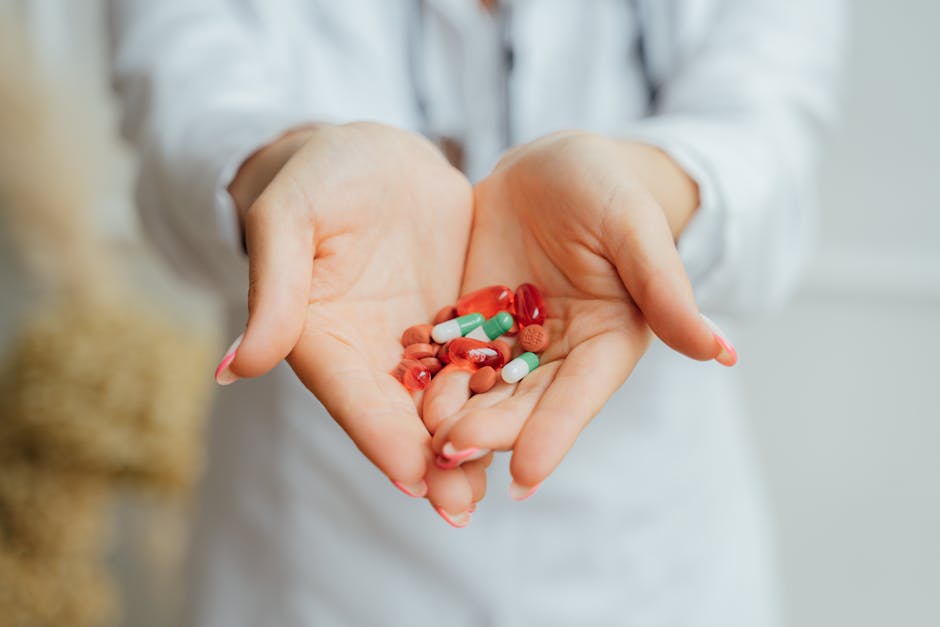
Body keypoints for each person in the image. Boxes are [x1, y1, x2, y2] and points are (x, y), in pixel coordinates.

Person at [110, 1, 843, 625]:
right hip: (313, 558)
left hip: (648, 563)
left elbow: (768, 128)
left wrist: (642, 194)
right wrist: (280, 172)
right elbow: (182, 93)